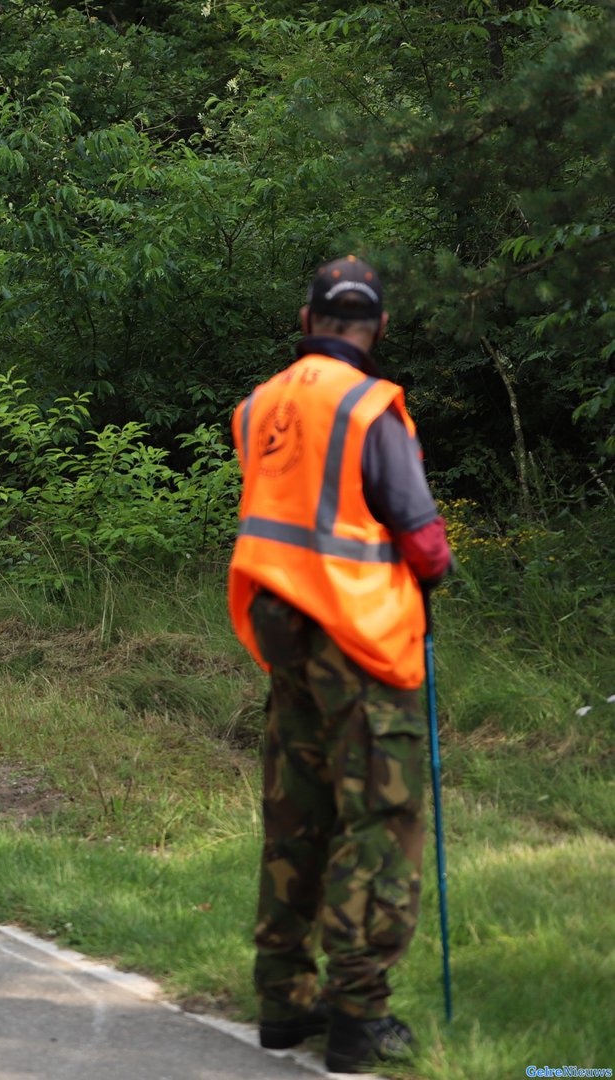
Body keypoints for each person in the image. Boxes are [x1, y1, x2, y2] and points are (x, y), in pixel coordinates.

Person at [228, 257, 452, 1074]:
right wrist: (437, 576)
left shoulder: (258, 408)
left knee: (296, 818)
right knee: (379, 824)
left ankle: (282, 1002)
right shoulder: (369, 406)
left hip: (283, 638)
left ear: (305, 319)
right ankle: (360, 1015)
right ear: (380, 326)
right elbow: (419, 531)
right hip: (362, 640)